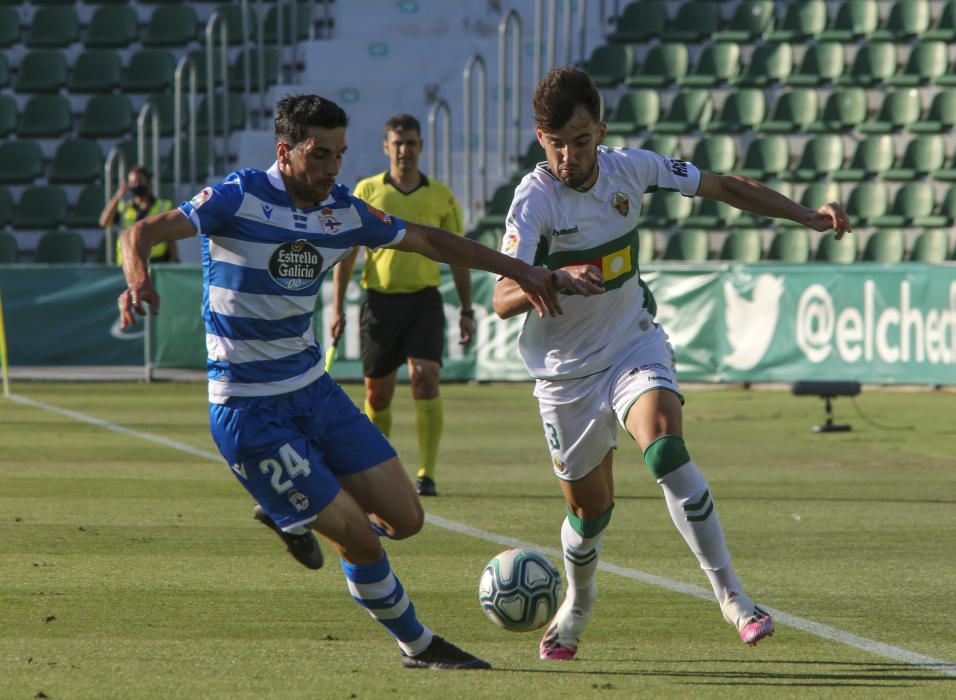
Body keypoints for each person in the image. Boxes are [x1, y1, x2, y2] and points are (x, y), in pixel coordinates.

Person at [116, 94, 563, 671]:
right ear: (286, 152)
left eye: (340, 155)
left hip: (314, 392)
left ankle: (294, 508)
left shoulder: (342, 212)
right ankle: (418, 645)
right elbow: (143, 233)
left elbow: (429, 239)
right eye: (320, 155)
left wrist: (521, 269)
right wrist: (137, 278)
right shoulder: (238, 196)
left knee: (407, 520)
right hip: (250, 412)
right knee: (362, 538)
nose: (332, 169)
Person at [492, 67, 852, 661]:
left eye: (580, 141)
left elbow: (725, 186)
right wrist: (550, 277)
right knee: (590, 510)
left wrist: (805, 216)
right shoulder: (533, 200)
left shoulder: (631, 168)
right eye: (557, 143)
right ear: (540, 137)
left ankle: (734, 598)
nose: (569, 156)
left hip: (633, 344)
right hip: (563, 373)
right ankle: (577, 606)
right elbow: (503, 296)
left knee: (664, 446)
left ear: (599, 131)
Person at [331, 114, 471, 498]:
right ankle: (379, 470)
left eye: (411, 143)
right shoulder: (368, 191)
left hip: (424, 301)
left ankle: (426, 473)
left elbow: (458, 254)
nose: (404, 150)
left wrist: (466, 308)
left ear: (420, 146)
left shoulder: (440, 195)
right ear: (386, 147)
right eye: (398, 143)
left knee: (425, 378)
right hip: (379, 302)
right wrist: (337, 306)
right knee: (378, 393)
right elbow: (347, 251)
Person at [99, 165, 178, 264]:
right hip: (128, 263)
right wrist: (118, 196)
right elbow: (104, 222)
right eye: (132, 182)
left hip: (156, 262)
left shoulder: (163, 206)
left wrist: (175, 257)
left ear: (148, 182)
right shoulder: (124, 208)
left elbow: (170, 238)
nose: (136, 185)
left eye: (139, 181)